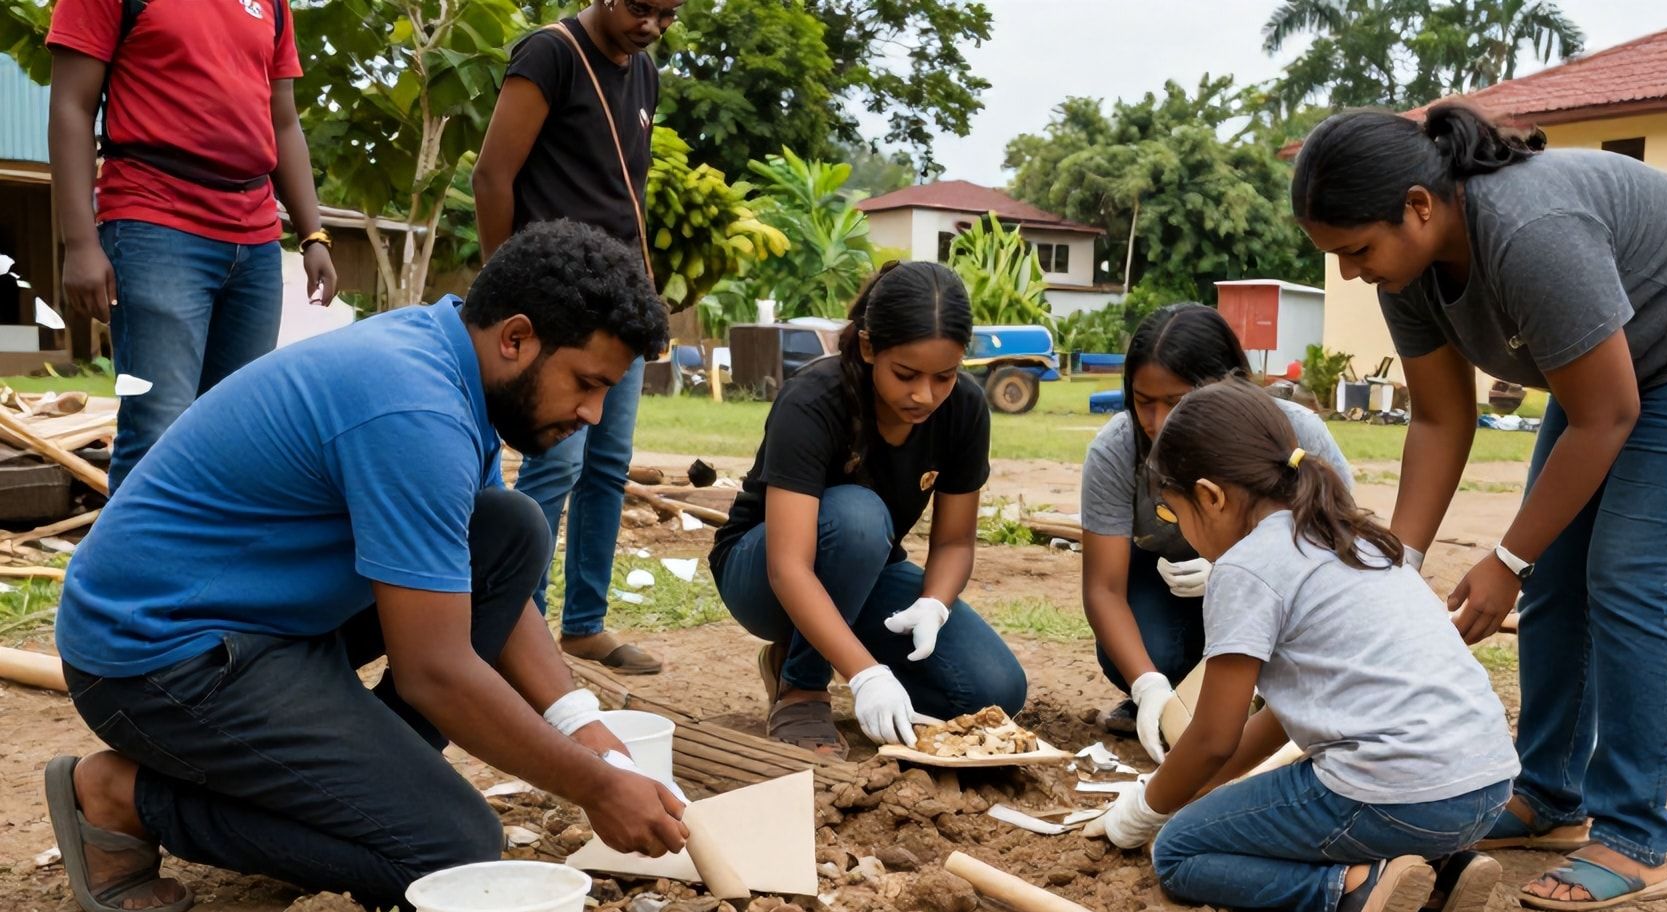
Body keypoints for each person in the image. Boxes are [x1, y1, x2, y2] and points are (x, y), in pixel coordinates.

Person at [45, 221, 687, 912]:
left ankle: (366, 789)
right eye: (586, 383)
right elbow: (434, 671)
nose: (592, 414)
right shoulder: (415, 407)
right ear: (516, 338)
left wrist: (579, 723)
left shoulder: (446, 362)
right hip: (158, 663)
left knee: (507, 531)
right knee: (448, 849)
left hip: (260, 623)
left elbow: (465, 576)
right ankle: (121, 796)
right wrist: (595, 787)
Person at [1292, 104, 1667, 912]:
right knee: (1559, 572)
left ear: (1420, 206)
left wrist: (1507, 561)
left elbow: (1607, 415)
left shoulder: (1530, 229)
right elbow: (1439, 417)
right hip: (1618, 370)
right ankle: (1549, 797)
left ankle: (1634, 838)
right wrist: (1394, 566)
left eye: (1356, 250)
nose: (1349, 272)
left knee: (1633, 576)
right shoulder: (1407, 268)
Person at [1085, 378, 1518, 912]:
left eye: (1173, 510)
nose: (1177, 526)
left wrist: (1146, 808)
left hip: (1395, 794)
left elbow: (1212, 736)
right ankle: (1441, 877)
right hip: (1484, 790)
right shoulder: (1352, 535)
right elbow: (1281, 713)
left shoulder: (1246, 567)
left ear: (1209, 497)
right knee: (1214, 815)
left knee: (1180, 850)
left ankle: (1353, 890)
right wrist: (1211, 790)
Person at [710, 262, 1027, 756]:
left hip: (865, 571)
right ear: (868, 347)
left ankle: (811, 654)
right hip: (763, 575)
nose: (925, 395)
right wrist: (865, 675)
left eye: (944, 376)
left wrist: (934, 605)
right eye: (906, 375)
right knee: (858, 516)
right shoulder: (815, 399)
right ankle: (802, 687)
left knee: (992, 691)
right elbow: (788, 567)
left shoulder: (963, 409)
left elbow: (954, 541)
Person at [47, 0, 338, 490]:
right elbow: (71, 106)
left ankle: (208, 568)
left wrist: (313, 233)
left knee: (237, 433)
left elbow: (283, 121)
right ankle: (126, 569)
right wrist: (79, 242)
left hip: (255, 239)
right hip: (155, 226)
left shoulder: (272, 4)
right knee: (157, 432)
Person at [472, 0, 682, 676]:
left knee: (606, 464)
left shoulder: (644, 71)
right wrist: (505, 286)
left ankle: (584, 624)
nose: (651, 25)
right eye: (642, 8)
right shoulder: (550, 54)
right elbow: (492, 175)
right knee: (555, 463)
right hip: (554, 303)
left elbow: (629, 199)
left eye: (669, 14)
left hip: (617, 310)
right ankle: (515, 624)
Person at [1081, 304, 1352, 761]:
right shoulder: (1117, 450)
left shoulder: (1296, 432)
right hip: (1162, 581)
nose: (1160, 422)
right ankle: (1171, 701)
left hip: (1279, 583)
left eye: (1179, 401)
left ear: (1230, 385)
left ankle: (1253, 708)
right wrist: (1148, 685)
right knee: (1153, 658)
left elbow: (1341, 549)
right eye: (1145, 402)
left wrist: (1239, 570)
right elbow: (1103, 588)